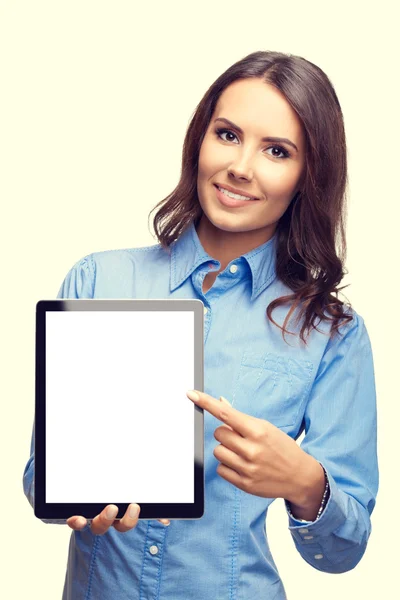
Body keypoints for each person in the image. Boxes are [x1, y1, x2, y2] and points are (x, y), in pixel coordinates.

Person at [23, 50, 379, 600]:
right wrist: (75, 496)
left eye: (277, 151)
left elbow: (344, 552)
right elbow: (39, 479)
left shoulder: (331, 333)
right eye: (228, 134)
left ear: (309, 175)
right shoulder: (98, 279)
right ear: (199, 140)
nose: (241, 167)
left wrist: (306, 483)